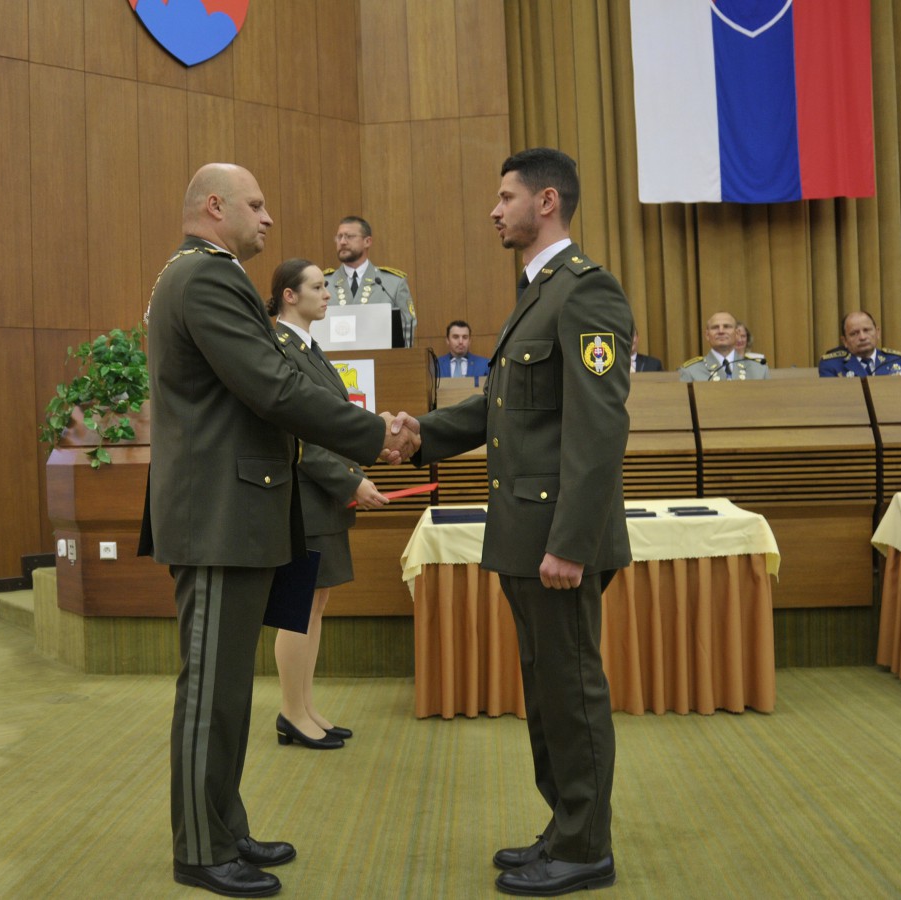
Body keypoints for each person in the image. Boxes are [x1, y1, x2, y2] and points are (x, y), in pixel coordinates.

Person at [139, 163, 420, 899]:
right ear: (214, 206)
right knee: (211, 690)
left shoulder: (205, 276)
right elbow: (271, 385)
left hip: (229, 513)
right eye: (256, 205)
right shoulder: (207, 277)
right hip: (215, 516)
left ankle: (224, 827)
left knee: (229, 688)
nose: (268, 219)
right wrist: (372, 434)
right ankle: (200, 850)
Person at [413, 148, 629, 896]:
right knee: (545, 692)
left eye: (505, 196)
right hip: (523, 533)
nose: (493, 209)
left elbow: (598, 429)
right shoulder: (538, 292)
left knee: (571, 691)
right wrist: (419, 434)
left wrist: (570, 543)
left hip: (555, 539)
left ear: (546, 202)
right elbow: (502, 408)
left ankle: (585, 848)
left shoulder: (586, 292)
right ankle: (564, 824)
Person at [266, 258, 389, 752]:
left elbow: (333, 419)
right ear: (289, 295)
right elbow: (297, 434)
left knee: (316, 603)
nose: (327, 294)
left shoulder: (307, 346)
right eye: (318, 287)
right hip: (302, 496)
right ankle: (291, 712)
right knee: (298, 606)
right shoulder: (279, 346)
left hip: (322, 496)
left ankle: (305, 706)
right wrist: (350, 481)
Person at [325, 216, 417, 346]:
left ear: (367, 241)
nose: (343, 242)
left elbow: (407, 329)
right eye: (339, 237)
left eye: (349, 236)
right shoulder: (324, 284)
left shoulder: (393, 283)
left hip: (381, 357)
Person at [679, 312, 769, 381]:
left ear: (737, 334)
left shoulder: (758, 369)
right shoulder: (691, 371)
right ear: (707, 335)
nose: (721, 331)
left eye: (727, 327)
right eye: (715, 327)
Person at [818, 311, 901, 377]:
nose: (862, 337)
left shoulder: (897, 360)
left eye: (866, 330)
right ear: (845, 341)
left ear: (877, 333)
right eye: (854, 333)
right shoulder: (831, 365)